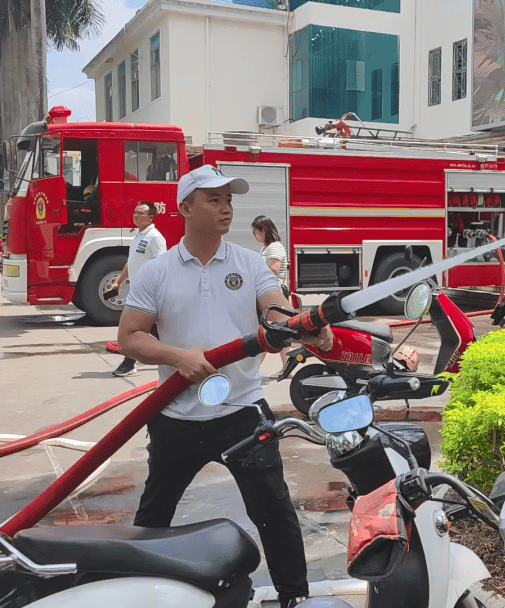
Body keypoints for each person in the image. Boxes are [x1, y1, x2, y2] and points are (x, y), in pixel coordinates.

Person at [117, 164, 333, 608]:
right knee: (153, 517)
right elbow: (130, 337)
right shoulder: (157, 272)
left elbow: (274, 312)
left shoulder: (249, 264)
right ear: (185, 208)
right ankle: (130, 593)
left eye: (229, 200)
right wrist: (179, 356)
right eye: (213, 200)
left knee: (274, 511)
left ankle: (296, 598)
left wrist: (302, 328)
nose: (226, 208)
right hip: (176, 415)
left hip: (242, 413)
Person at [106, 201, 167, 377]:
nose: (136, 215)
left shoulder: (155, 237)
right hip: (137, 290)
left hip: (148, 292)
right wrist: (118, 282)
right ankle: (178, 354)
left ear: (151, 217)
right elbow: (131, 263)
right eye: (135, 212)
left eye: (140, 213)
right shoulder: (137, 236)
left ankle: (129, 362)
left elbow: (162, 266)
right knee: (156, 329)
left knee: (133, 328)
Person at [252, 215, 290, 374]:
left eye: (255, 231)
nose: (255, 235)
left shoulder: (274, 247)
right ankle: (287, 366)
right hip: (270, 295)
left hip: (272, 295)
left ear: (263, 231)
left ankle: (253, 371)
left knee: (265, 333)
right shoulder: (267, 248)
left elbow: (274, 269)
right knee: (275, 332)